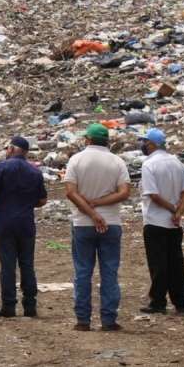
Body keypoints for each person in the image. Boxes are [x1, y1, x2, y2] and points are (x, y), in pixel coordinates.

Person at [63, 123, 131, 331]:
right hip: (111, 223)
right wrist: (99, 208)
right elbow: (124, 192)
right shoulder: (117, 161)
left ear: (88, 140)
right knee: (109, 272)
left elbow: (70, 192)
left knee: (83, 272)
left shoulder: (76, 160)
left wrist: (92, 212)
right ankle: (108, 320)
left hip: (83, 224)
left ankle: (83, 320)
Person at [0, 136, 47, 318]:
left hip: (5, 223)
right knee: (27, 264)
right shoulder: (35, 172)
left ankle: (9, 306)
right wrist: (26, 203)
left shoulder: (0, 168)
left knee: (8, 265)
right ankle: (30, 306)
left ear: (11, 149)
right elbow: (42, 200)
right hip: (26, 223)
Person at [138, 128, 184, 315]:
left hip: (155, 221)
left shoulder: (149, 165)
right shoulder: (177, 162)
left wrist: (172, 209)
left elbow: (153, 195)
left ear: (152, 143)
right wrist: (179, 212)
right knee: (176, 263)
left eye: (145, 141)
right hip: (174, 224)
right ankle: (181, 303)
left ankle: (158, 302)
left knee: (158, 264)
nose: (143, 145)